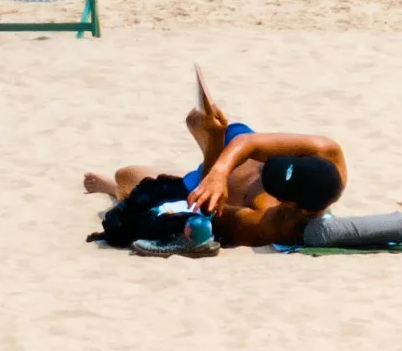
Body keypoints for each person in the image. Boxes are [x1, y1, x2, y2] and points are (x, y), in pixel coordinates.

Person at [83, 67, 346, 249]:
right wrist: (221, 163)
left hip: (204, 181)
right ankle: (210, 137)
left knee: (125, 175)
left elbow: (211, 215)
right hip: (239, 149)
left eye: (272, 183)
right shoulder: (327, 151)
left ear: (293, 206)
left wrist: (213, 154)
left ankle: (113, 189)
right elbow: (249, 143)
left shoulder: (267, 224)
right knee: (217, 120)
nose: (266, 177)